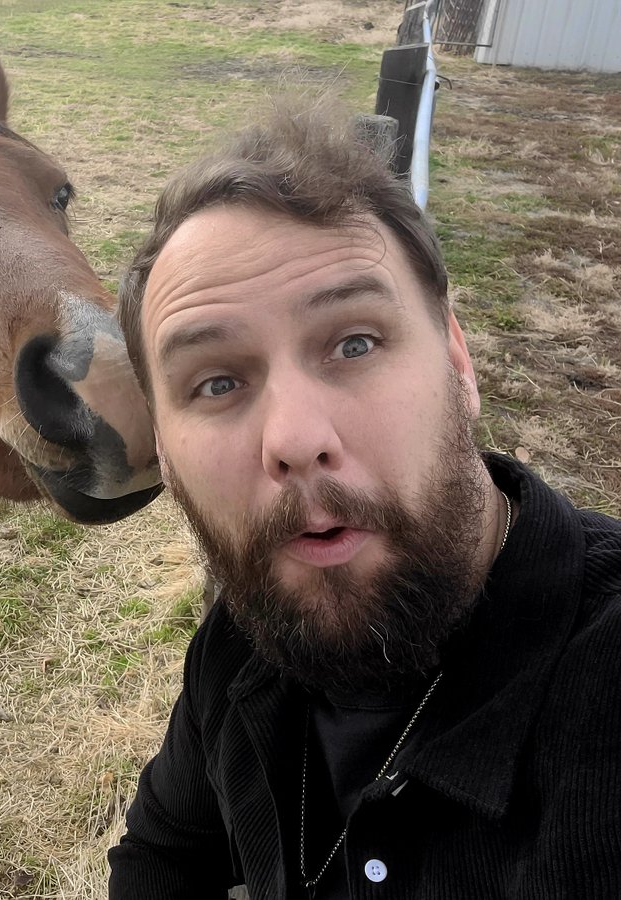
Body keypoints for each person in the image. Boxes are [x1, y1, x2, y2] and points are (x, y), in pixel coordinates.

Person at [107, 103, 621, 899]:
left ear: (458, 361)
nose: (295, 438)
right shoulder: (239, 647)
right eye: (217, 382)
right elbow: (160, 856)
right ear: (166, 459)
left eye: (354, 343)